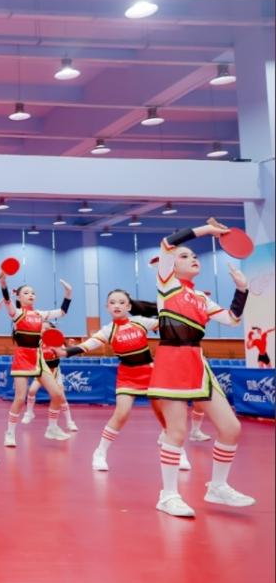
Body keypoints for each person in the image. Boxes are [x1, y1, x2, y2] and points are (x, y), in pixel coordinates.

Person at [149, 219, 254, 517]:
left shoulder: (201, 298)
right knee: (177, 431)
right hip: (172, 361)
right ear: (170, 265)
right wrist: (207, 231)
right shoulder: (166, 285)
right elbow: (168, 244)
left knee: (231, 428)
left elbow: (232, 319)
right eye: (184, 256)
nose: (192, 258)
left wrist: (242, 289)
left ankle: (217, 486)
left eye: (194, 255)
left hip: (198, 362)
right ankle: (168, 495)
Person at [59, 290, 183, 472]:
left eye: (121, 302)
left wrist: (180, 304)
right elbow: (87, 346)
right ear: (107, 307)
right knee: (121, 413)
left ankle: (175, 448)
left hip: (150, 372)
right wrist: (65, 352)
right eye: (112, 302)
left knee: (162, 413)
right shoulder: (108, 330)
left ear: (129, 306)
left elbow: (168, 322)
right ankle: (100, 452)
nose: (116, 305)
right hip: (127, 376)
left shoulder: (140, 321)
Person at [0, 273, 73, 446]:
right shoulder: (17, 314)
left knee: (57, 394)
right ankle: (10, 433)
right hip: (22, 358)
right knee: (20, 399)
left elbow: (62, 312)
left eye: (33, 293)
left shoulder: (40, 314)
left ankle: (52, 428)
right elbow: (7, 302)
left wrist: (68, 293)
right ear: (19, 297)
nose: (30, 295)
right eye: (26, 293)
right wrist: (3, 283)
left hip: (37, 358)